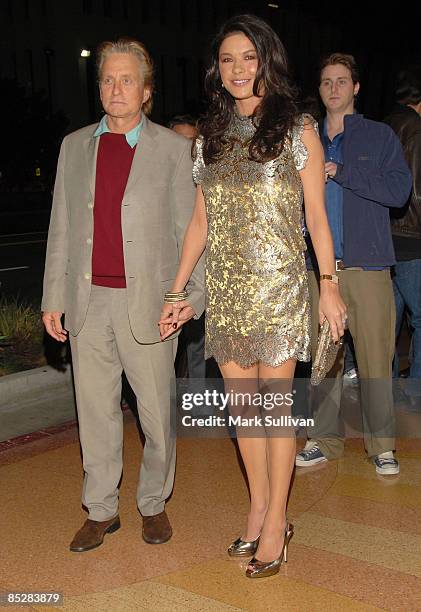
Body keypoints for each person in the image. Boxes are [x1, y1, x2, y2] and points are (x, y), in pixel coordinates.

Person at [159, 14, 346, 579]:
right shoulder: (210, 137)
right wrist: (175, 290)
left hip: (281, 285)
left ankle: (276, 521)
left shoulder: (297, 129)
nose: (238, 69)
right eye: (227, 60)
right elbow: (199, 223)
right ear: (216, 71)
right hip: (229, 290)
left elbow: (316, 217)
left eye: (248, 57)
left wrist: (330, 286)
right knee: (244, 413)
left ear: (267, 60)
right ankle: (260, 507)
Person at [41, 38, 204, 552]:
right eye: (108, 79)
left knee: (156, 416)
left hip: (150, 307)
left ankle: (153, 503)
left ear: (146, 90)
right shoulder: (73, 146)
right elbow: (61, 230)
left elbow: (194, 233)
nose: (116, 88)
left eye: (127, 79)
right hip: (87, 306)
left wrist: (188, 298)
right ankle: (101, 509)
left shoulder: (174, 150)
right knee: (95, 414)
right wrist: (53, 296)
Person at [296, 53, 412, 474]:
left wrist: (342, 171)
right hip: (319, 271)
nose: (333, 89)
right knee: (324, 360)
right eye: (326, 82)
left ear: (356, 87)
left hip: (368, 269)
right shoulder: (304, 137)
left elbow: (400, 191)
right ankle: (324, 440)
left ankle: (382, 446)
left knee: (375, 359)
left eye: (342, 81)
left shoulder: (379, 136)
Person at [384, 66, 421, 410]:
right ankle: (416, 389)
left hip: (386, 235)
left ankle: (389, 385)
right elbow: (416, 189)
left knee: (389, 320)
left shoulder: (386, 125)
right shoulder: (415, 129)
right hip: (412, 235)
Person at [168, 115, 207, 386]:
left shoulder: (204, 182)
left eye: (190, 142)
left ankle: (199, 398)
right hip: (166, 279)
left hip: (199, 278)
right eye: (178, 141)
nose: (185, 148)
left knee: (198, 343)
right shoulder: (156, 182)